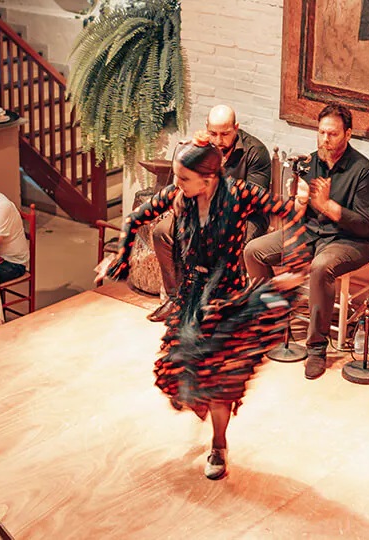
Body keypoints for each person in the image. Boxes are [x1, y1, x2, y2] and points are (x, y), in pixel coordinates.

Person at [96, 132, 310, 480]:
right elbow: (136, 218)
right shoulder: (181, 197)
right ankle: (195, 397)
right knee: (178, 375)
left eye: (184, 178)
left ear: (208, 179)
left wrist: (295, 267)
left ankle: (218, 446)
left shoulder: (241, 194)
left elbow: (290, 214)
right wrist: (117, 261)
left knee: (221, 382)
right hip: (191, 298)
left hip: (227, 300)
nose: (176, 184)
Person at [244, 103, 369, 380]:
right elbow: (296, 216)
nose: (325, 140)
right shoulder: (308, 163)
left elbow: (363, 223)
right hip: (310, 233)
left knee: (321, 267)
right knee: (253, 251)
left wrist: (326, 204)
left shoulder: (364, 172)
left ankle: (317, 348)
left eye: (332, 134)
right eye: (321, 133)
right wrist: (297, 201)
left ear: (347, 134)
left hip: (351, 241)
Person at [147, 105, 272, 322]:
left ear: (236, 128)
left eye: (225, 134)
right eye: (213, 133)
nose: (219, 140)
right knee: (162, 232)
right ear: (207, 128)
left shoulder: (255, 152)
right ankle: (177, 299)